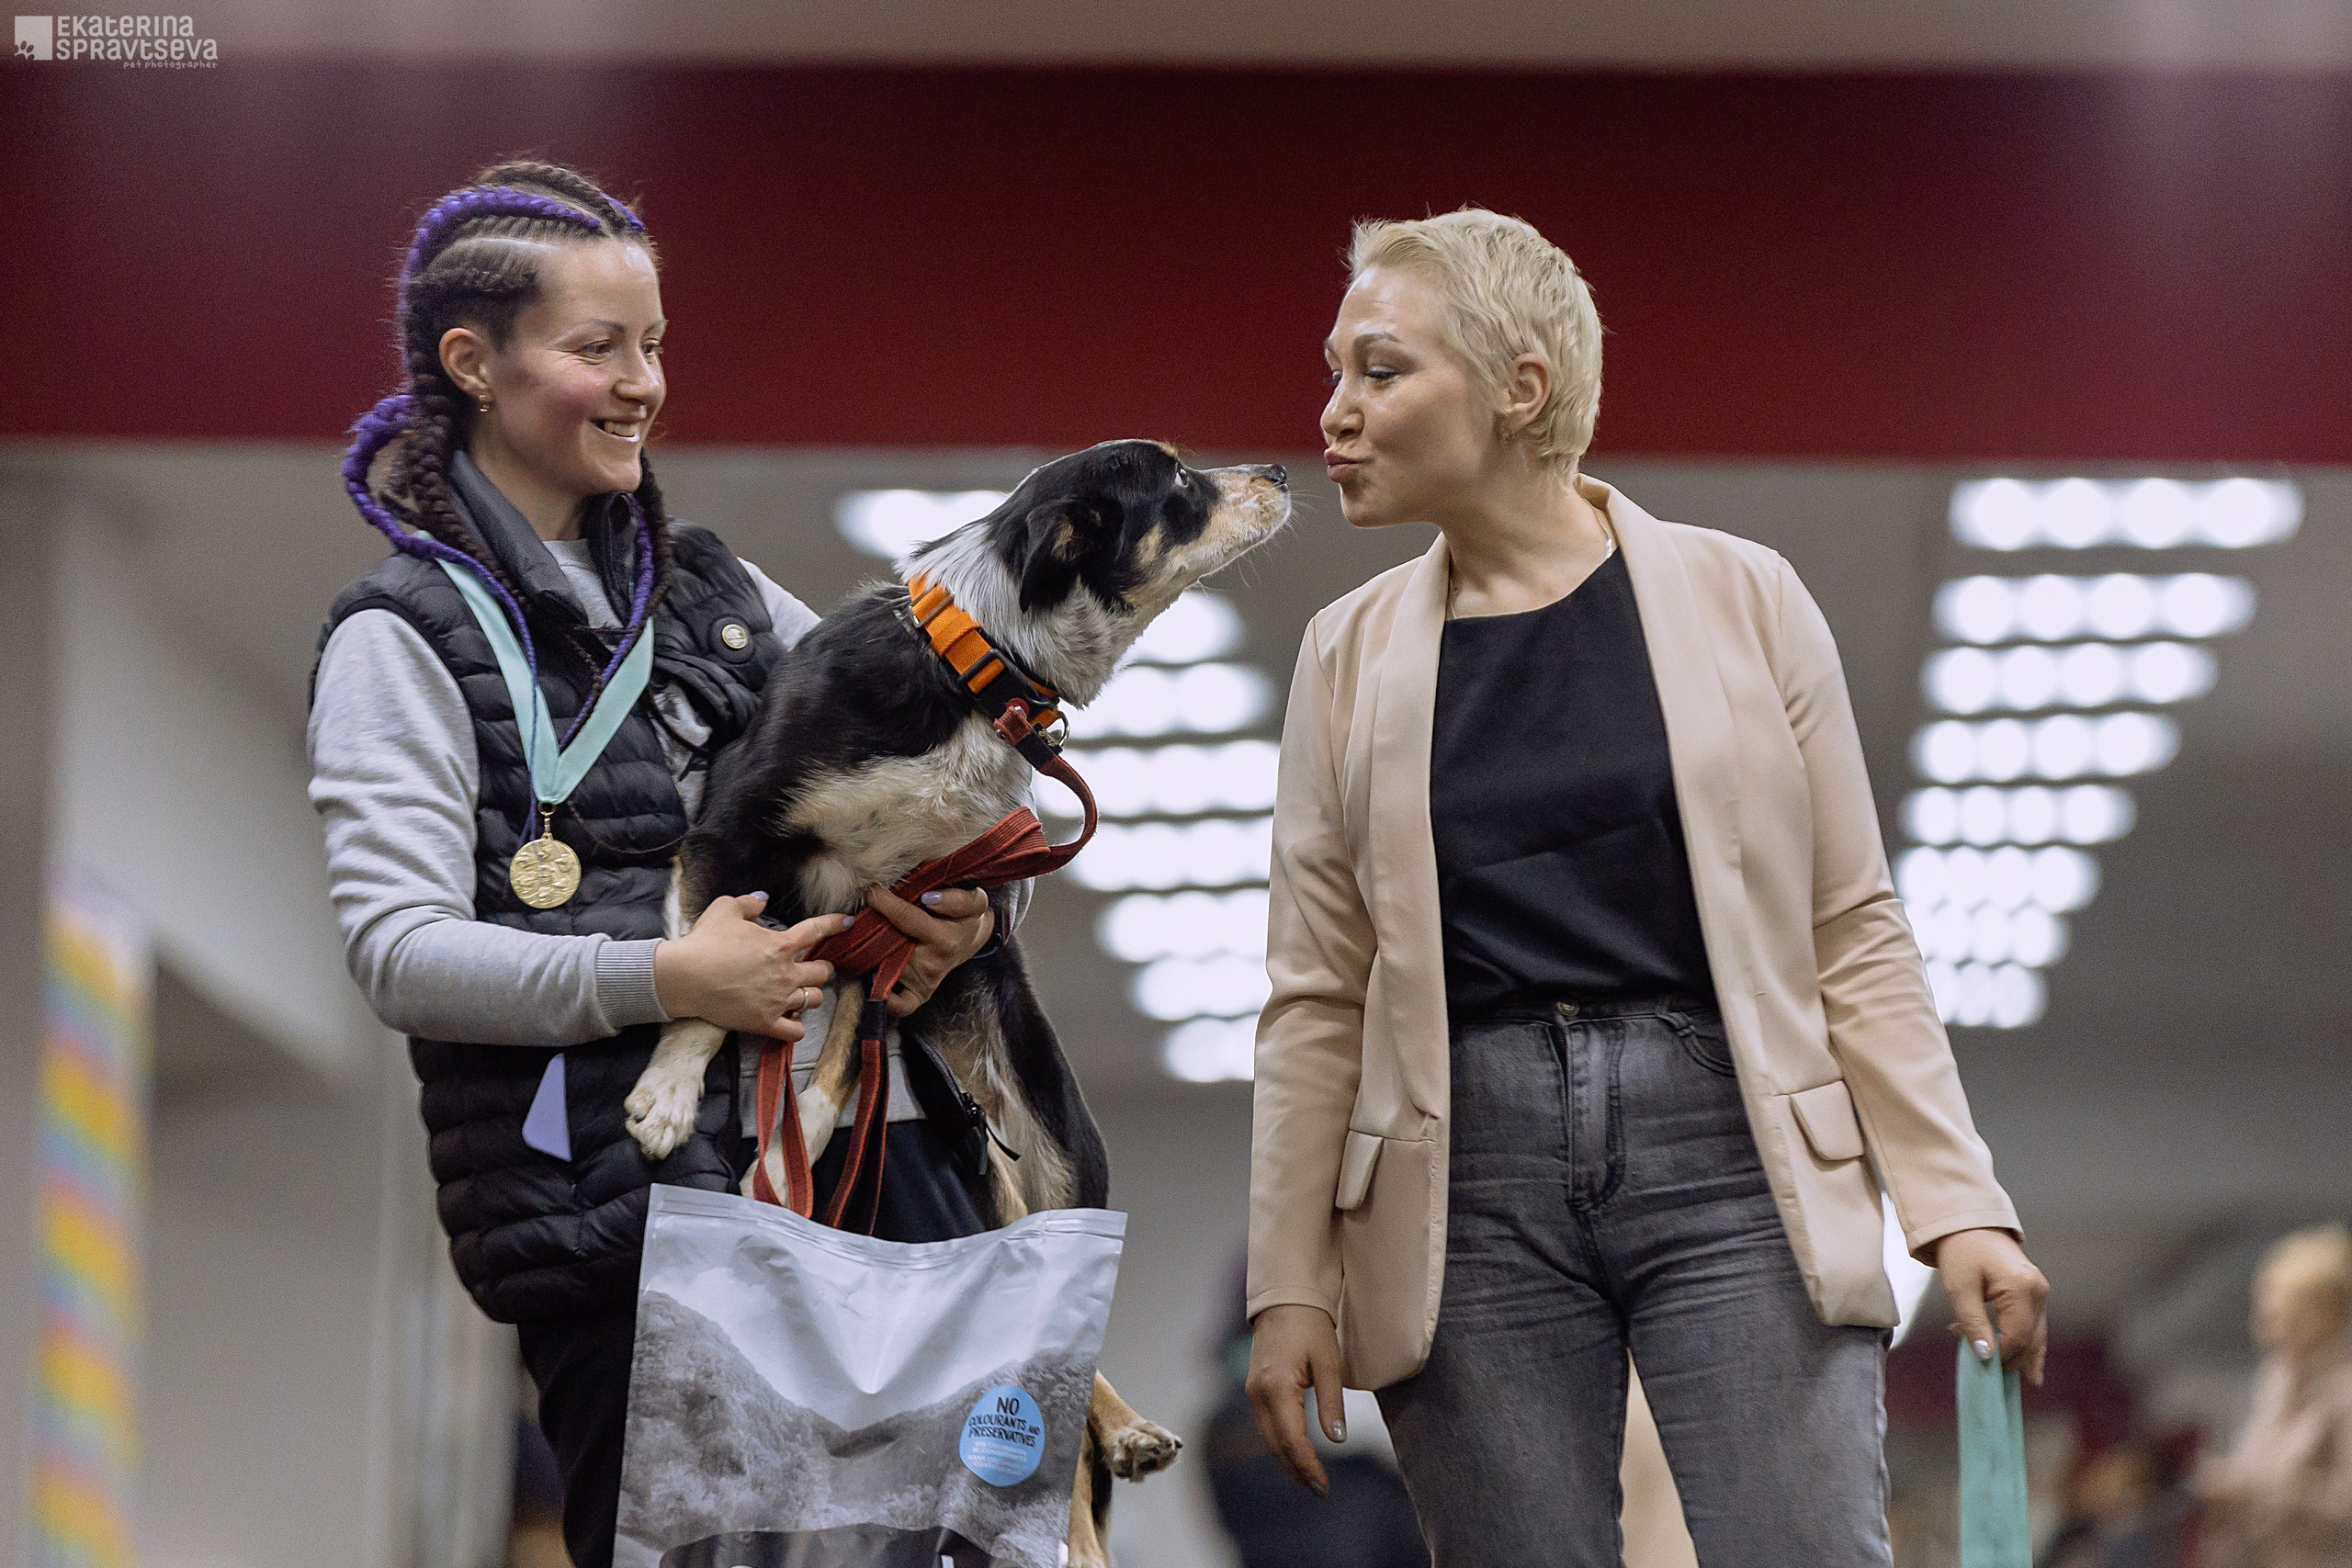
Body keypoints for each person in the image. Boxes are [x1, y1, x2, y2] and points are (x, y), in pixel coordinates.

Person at [1242, 209, 2050, 1566]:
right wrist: (1289, 1282)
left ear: (1519, 386)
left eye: (1380, 370)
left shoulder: (1750, 597)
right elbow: (1316, 993)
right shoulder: (1346, 653)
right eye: (1337, 372)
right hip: (1463, 1176)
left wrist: (1956, 1201)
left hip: (1733, 1144)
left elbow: (1850, 923)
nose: (1335, 411)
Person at [307, 161, 1002, 1568]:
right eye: (596, 348)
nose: (643, 384)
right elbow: (397, 949)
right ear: (475, 365)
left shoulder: (725, 597)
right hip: (621, 1232)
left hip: (850, 1190)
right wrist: (667, 975)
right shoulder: (400, 636)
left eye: (656, 344)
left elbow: (930, 773)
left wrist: (974, 907)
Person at [2199, 1222, 2352, 1567]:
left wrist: (2255, 1496)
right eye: (2268, 1310)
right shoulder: (2272, 1385)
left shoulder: (2346, 1392)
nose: (2273, 1324)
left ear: (2334, 1311)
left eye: (2292, 1311)